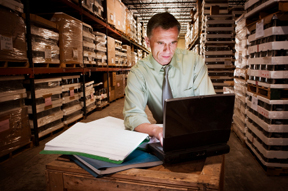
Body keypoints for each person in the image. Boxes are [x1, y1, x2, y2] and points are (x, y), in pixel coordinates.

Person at [123, 12, 215, 145]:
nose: (167, 50)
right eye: (160, 43)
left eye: (172, 43)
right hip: (163, 130)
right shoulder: (139, 73)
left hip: (196, 129)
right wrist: (156, 130)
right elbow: (133, 114)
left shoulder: (194, 62)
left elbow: (209, 105)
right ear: (148, 42)